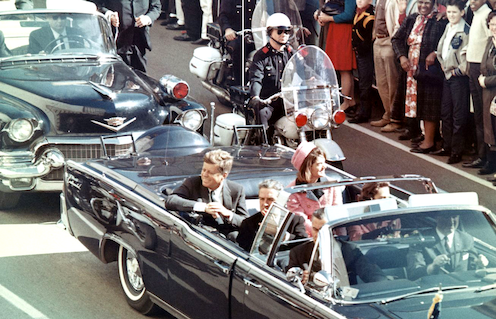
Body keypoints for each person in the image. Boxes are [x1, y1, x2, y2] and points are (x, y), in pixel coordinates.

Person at [391, 0, 448, 154]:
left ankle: (429, 141)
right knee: (416, 103)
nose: (423, 6)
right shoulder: (412, 18)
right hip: (411, 68)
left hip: (429, 69)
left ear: (434, 3)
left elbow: (446, 42)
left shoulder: (440, 20)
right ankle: (424, 136)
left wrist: (436, 53)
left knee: (430, 104)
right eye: (420, 2)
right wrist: (402, 57)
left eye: (427, 2)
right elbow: (396, 39)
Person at [287, 208, 388, 285]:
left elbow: (370, 272)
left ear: (334, 231)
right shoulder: (298, 253)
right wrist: (301, 280)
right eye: (315, 229)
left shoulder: (349, 251)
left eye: (322, 230)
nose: (318, 235)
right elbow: (290, 281)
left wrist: (382, 282)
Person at [165, 149, 249, 236]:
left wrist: (228, 214)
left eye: (210, 172)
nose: (204, 175)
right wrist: (203, 207)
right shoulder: (193, 183)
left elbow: (246, 223)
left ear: (223, 175)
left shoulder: (237, 190)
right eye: (204, 170)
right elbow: (171, 200)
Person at [249, 13, 294, 141]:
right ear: (270, 32)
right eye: (279, 31)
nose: (283, 35)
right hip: (269, 102)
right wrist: (255, 96)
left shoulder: (291, 53)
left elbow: (302, 70)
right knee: (262, 116)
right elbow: (256, 78)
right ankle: (263, 146)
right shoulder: (261, 56)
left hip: (288, 102)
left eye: (287, 31)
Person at [436, 0, 471, 164]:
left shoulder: (465, 31)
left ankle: (457, 151)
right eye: (449, 12)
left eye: (454, 12)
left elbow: (467, 57)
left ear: (462, 13)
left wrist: (457, 71)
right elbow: (441, 48)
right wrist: (443, 64)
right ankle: (447, 145)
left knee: (458, 114)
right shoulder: (448, 27)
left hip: (458, 77)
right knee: (446, 113)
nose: (451, 15)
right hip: (447, 74)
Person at [407, 214, 487, 280]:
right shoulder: (420, 240)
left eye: (454, 216)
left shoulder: (466, 238)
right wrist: (433, 266)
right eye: (446, 217)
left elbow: (473, 267)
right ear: (436, 218)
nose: (451, 222)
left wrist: (480, 264)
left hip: (462, 290)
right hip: (432, 291)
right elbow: (414, 273)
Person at [286, 142, 343, 236]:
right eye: (319, 164)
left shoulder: (332, 185)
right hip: (308, 237)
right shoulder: (292, 191)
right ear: (307, 167)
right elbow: (301, 221)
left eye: (324, 162)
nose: (324, 166)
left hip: (333, 233)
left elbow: (338, 212)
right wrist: (321, 233)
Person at [237, 179, 308, 252]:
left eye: (270, 199)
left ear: (280, 200)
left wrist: (280, 234)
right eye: (262, 199)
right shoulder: (248, 223)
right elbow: (244, 252)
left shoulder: (295, 220)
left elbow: (303, 245)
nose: (265, 204)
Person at [462, 0, 492, 170]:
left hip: (481, 67)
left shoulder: (486, 15)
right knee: (478, 114)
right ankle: (481, 154)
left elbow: (491, 41)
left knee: (483, 115)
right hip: (473, 65)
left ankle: (487, 157)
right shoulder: (476, 14)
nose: (471, 2)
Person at [94, 0, 161, 72]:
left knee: (140, 78)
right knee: (117, 77)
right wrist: (109, 15)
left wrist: (148, 18)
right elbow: (96, 3)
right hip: (117, 42)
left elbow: (156, 7)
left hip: (138, 42)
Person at [316, 0, 357, 113]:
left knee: (344, 69)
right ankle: (350, 100)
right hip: (337, 29)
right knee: (343, 70)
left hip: (343, 30)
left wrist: (328, 18)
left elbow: (348, 15)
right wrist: (320, 14)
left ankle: (347, 102)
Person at [369, 0, 404, 132]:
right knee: (381, 82)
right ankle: (387, 114)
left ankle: (396, 118)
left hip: (388, 41)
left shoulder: (395, 1)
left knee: (392, 82)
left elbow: (397, 24)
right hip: (378, 40)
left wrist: (393, 40)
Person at [217, 0, 256, 85]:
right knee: (239, 47)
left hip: (256, 35)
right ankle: (240, 82)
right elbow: (222, 16)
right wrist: (227, 29)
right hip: (236, 34)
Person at [349, 0, 375, 124]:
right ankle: (363, 110)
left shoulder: (369, 17)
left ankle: (364, 113)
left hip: (365, 54)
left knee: (365, 84)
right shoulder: (359, 12)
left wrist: (361, 49)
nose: (359, 1)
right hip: (360, 53)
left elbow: (368, 39)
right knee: (362, 83)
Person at [478, 10, 496, 178]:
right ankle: (491, 162)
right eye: (491, 25)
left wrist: (486, 80)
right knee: (489, 127)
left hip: (491, 87)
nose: (494, 28)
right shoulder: (490, 42)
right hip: (488, 92)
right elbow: (484, 65)